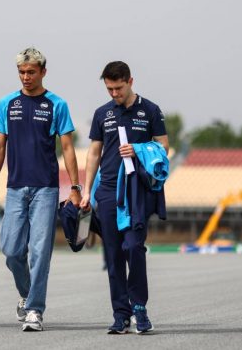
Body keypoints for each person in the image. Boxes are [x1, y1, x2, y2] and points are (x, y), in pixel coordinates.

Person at [0, 47, 81, 331]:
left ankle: (35, 310)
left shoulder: (57, 104)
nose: (25, 77)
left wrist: (75, 187)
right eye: (21, 72)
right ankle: (27, 294)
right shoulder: (7, 103)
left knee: (40, 251)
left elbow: (67, 147)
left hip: (46, 190)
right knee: (12, 250)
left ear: (43, 72)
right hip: (15, 187)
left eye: (31, 72)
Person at [80, 61, 169, 334]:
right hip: (107, 190)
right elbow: (94, 152)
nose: (115, 94)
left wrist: (138, 149)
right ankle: (121, 314)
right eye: (109, 89)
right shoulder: (102, 113)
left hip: (136, 191)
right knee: (114, 253)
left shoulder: (151, 110)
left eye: (118, 88)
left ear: (131, 81)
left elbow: (164, 146)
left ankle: (139, 308)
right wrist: (86, 191)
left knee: (133, 247)